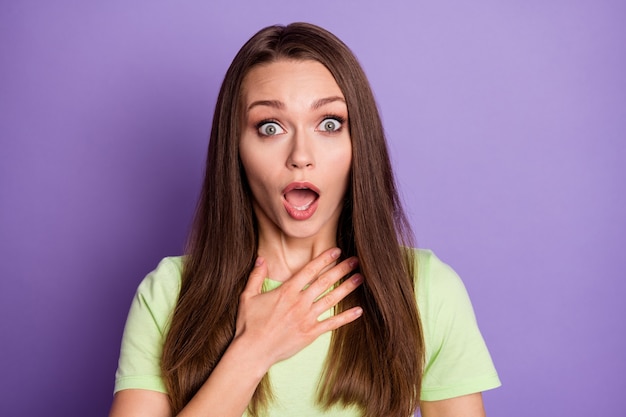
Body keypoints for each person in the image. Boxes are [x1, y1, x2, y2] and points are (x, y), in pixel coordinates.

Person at [109, 22, 500, 417]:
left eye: (329, 124)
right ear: (236, 150)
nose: (300, 154)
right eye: (270, 127)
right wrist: (252, 351)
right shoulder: (169, 294)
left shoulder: (424, 289)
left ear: (358, 143)